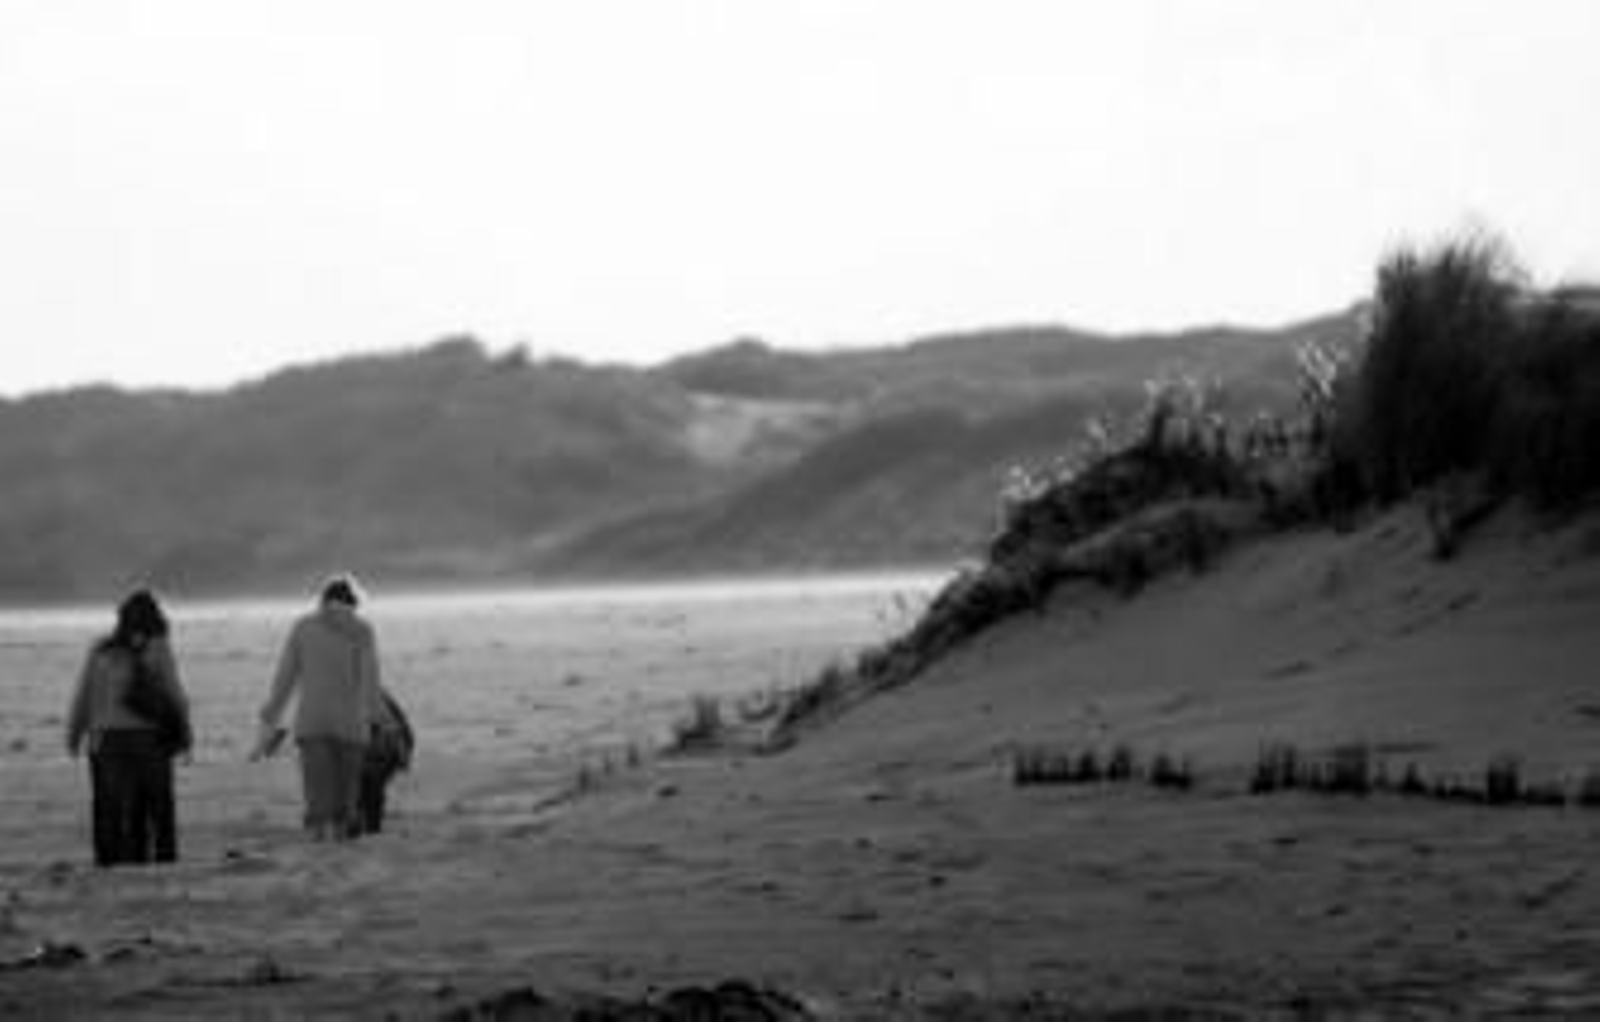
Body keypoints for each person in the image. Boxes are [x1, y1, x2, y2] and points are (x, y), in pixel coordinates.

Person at [257, 575, 391, 841]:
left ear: (323, 600)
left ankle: (317, 835)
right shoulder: (362, 630)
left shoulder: (303, 627)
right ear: (353, 602)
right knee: (346, 791)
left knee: (316, 790)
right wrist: (383, 719)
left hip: (312, 721)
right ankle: (341, 835)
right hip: (351, 724)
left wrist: (271, 714)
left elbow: (285, 677)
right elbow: (370, 682)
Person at [66, 589, 193, 867]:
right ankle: (161, 860)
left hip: (105, 739)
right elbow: (175, 695)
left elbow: (83, 696)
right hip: (149, 739)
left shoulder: (100, 649)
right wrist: (186, 736)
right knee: (157, 806)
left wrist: (73, 736)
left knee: (107, 806)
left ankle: (109, 863)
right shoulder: (158, 647)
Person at [358, 688, 414, 835]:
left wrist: (403, 753)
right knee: (365, 787)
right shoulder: (373, 692)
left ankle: (371, 826)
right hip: (384, 744)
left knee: (369, 785)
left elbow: (404, 733)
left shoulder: (371, 694)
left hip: (388, 745)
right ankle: (368, 824)